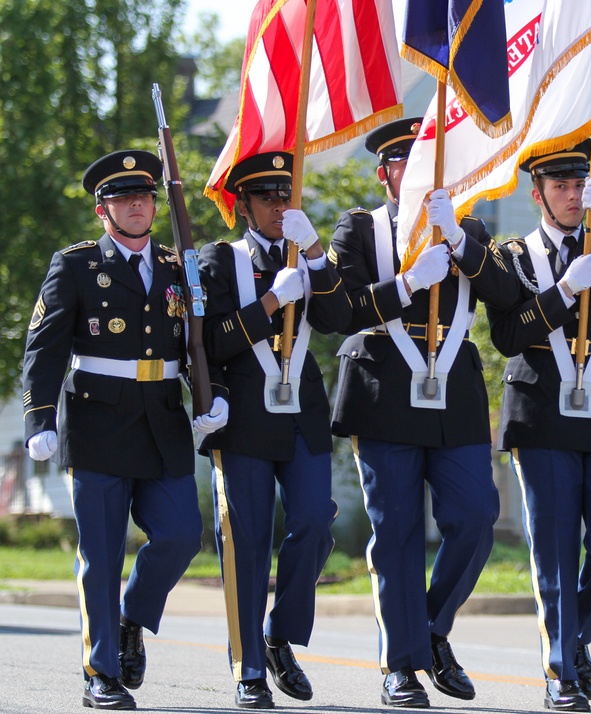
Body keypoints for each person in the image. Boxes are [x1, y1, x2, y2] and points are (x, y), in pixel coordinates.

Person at [328, 118, 519, 708]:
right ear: (383, 173)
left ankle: (431, 631)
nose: (413, 175)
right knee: (397, 533)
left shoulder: (470, 228)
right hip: (384, 392)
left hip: (452, 396)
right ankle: (400, 665)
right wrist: (407, 284)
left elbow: (509, 300)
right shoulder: (359, 230)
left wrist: (460, 244)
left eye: (426, 164)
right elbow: (336, 309)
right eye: (402, 165)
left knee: (476, 516)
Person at [22, 150, 216, 710]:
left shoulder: (181, 266)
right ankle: (100, 671)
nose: (138, 205)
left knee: (181, 535)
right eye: (125, 198)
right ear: (102, 210)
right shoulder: (77, 265)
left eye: (146, 196)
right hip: (98, 421)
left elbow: (202, 347)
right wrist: (39, 417)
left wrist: (213, 396)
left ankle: (132, 616)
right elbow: (45, 347)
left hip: (163, 419)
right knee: (101, 555)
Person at [486, 141, 591, 712]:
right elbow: (508, 337)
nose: (572, 194)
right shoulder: (515, 253)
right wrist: (562, 291)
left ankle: (573, 636)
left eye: (580, 184)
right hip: (542, 412)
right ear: (538, 194)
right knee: (555, 547)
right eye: (560, 185)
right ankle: (562, 669)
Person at [197, 151, 352, 708]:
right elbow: (210, 341)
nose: (279, 205)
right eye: (266, 197)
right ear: (243, 206)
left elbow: (338, 320)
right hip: (244, 420)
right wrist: (269, 302)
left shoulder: (308, 255)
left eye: (285, 194)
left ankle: (280, 634)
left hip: (301, 416)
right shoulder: (218, 261)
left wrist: (314, 254)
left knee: (313, 521)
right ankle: (249, 668)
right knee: (247, 544)